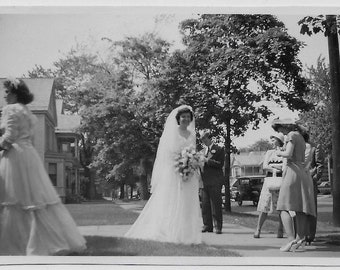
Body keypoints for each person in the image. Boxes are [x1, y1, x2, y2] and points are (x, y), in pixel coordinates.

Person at [0, 78, 86, 255]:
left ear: (16, 93)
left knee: (13, 199)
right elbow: (29, 138)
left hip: (15, 156)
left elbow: (9, 136)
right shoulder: (27, 112)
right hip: (29, 156)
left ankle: (16, 244)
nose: (4, 95)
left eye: (7, 92)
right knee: (31, 200)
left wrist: (2, 145)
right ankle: (41, 240)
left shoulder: (10, 109)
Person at [125, 105, 202, 244]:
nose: (185, 119)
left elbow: (193, 151)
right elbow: (168, 153)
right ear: (178, 119)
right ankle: (169, 231)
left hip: (189, 173)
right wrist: (180, 162)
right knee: (173, 201)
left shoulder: (192, 135)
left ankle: (186, 234)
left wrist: (192, 162)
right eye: (183, 117)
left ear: (191, 119)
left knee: (187, 204)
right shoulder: (173, 132)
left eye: (188, 117)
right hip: (174, 172)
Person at [272, 118, 316, 252]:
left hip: (292, 172)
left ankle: (291, 239)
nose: (280, 132)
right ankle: (299, 238)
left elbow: (288, 153)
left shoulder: (291, 135)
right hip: (302, 173)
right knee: (299, 208)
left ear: (284, 127)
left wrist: (278, 152)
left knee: (282, 206)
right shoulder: (301, 137)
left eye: (279, 129)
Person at [254, 133, 285, 239]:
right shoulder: (269, 152)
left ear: (278, 140)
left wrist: (275, 166)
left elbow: (285, 166)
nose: (272, 142)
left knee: (281, 207)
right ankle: (258, 229)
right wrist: (275, 168)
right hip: (269, 180)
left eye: (273, 140)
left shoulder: (284, 152)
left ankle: (280, 229)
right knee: (265, 206)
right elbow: (265, 166)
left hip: (281, 181)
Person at [300, 127, 324, 245]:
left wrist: (315, 178)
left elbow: (320, 164)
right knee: (298, 208)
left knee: (311, 208)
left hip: (310, 180)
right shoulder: (295, 147)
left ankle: (310, 236)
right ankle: (300, 235)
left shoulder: (315, 146)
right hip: (297, 180)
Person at [200, 131, 225, 234]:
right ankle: (207, 225)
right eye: (202, 140)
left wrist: (207, 160)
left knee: (216, 204)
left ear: (210, 138)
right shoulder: (201, 151)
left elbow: (220, 164)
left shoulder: (219, 149)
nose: (203, 141)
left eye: (205, 139)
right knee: (205, 204)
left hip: (215, 180)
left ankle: (218, 226)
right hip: (204, 181)